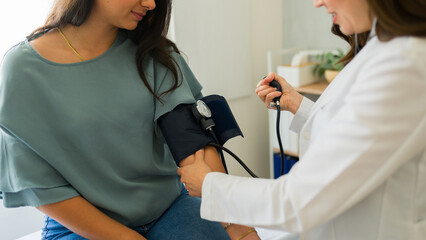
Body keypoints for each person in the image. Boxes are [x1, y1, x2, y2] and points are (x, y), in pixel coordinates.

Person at [0, 0, 259, 239]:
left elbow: (193, 145)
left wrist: (237, 224)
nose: (151, 3)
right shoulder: (23, 70)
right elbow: (39, 185)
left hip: (170, 208)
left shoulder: (154, 53)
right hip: (84, 223)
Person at [178, 0, 426, 239]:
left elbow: (300, 200)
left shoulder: (403, 65)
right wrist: (298, 105)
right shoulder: (383, 48)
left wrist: (210, 185)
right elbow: (357, 138)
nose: (317, 3)